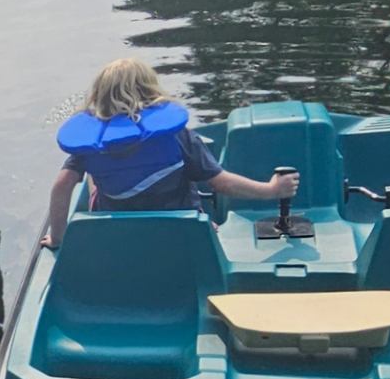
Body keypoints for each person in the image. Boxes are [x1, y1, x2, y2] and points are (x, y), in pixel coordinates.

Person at [42, 57, 297, 248]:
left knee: (92, 177)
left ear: (99, 97)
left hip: (119, 234)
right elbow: (221, 183)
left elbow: (61, 186)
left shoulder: (90, 146)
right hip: (180, 230)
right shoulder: (177, 136)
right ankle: (206, 224)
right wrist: (272, 190)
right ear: (151, 91)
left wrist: (58, 238)